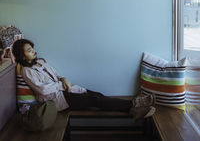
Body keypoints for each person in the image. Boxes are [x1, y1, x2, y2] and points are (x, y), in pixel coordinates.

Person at [12, 39, 155, 121]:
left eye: (32, 48)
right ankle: (135, 103)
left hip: (66, 90)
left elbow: (58, 75)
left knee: (97, 95)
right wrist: (61, 84)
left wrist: (64, 79)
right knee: (95, 100)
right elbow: (42, 89)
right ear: (22, 56)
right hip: (55, 99)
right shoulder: (26, 71)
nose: (33, 51)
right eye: (29, 50)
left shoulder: (41, 62)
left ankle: (133, 111)